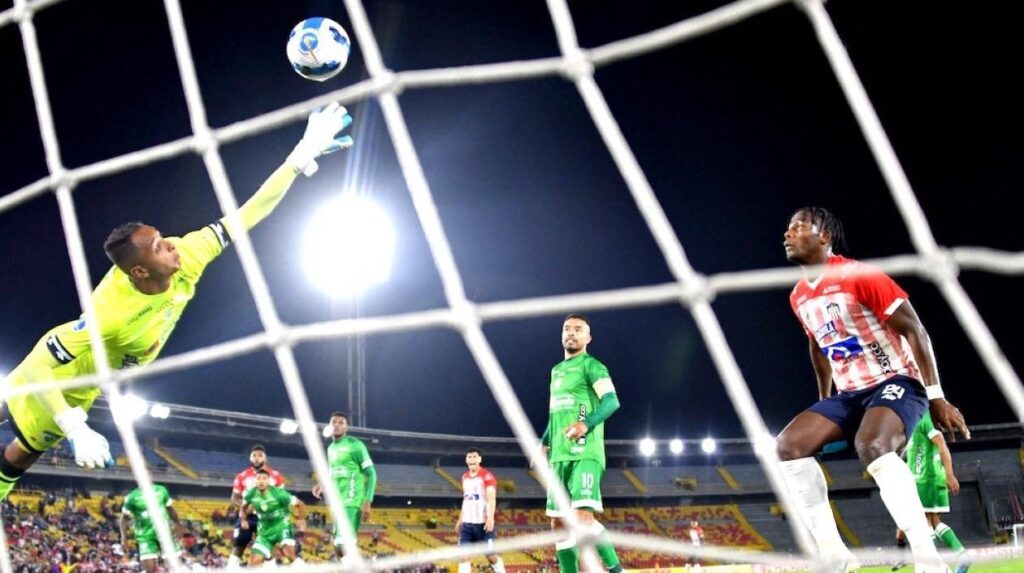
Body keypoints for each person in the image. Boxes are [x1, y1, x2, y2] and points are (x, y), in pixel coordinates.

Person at [0, 103, 355, 501]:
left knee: (17, 428)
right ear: (140, 272)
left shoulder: (189, 253)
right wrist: (73, 426)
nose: (170, 244)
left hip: (92, 381)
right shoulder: (110, 313)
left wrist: (298, 159)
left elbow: (249, 212)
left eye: (161, 237)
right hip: (65, 384)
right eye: (157, 246)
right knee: (22, 449)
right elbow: (37, 366)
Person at [775, 207, 970, 573]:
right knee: (788, 446)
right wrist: (825, 403)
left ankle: (929, 562)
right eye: (788, 228)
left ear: (824, 236)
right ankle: (835, 558)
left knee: (873, 445)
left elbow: (915, 329)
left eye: (798, 226)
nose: (788, 233)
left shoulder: (859, 275)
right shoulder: (799, 296)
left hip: (898, 381)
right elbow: (818, 347)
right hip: (851, 394)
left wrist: (936, 396)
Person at [541, 314, 623, 573]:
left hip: (586, 452)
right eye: (567, 329)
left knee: (581, 519)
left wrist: (586, 424)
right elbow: (556, 413)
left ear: (588, 337)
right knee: (558, 525)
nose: (571, 333)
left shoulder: (593, 366)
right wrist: (544, 441)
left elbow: (611, 401)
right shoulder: (556, 371)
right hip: (559, 456)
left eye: (578, 329)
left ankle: (617, 570)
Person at [893, 412, 970, 573]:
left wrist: (950, 474)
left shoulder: (921, 417)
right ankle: (961, 554)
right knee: (935, 522)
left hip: (924, 479)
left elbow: (940, 441)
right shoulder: (913, 423)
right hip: (933, 478)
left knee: (923, 523)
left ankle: (931, 567)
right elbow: (913, 451)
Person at [312, 411, 377, 565]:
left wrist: (367, 502)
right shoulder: (331, 448)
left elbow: (372, 474)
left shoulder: (356, 445)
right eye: (334, 422)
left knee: (343, 544)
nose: (337, 425)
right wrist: (322, 484)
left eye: (341, 422)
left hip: (352, 500)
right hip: (338, 502)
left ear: (346, 427)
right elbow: (332, 472)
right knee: (338, 548)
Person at [228, 445, 286, 569]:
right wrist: (245, 507)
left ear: (265, 458)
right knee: (238, 546)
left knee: (269, 549)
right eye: (254, 455)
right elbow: (234, 497)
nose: (257, 458)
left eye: (260, 455)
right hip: (248, 517)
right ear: (250, 458)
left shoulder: (276, 476)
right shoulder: (242, 476)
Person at [240, 468, 307, 567]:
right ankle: (270, 560)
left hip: (282, 526)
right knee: (253, 563)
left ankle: (303, 567)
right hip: (264, 532)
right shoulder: (250, 494)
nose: (261, 481)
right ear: (255, 481)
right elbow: (243, 507)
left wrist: (301, 519)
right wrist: (243, 520)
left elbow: (300, 504)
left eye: (264, 478)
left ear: (268, 481)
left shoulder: (279, 494)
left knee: (289, 553)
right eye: (258, 478)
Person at [456, 447, 506, 573]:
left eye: (474, 457)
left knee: (490, 556)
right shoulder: (464, 477)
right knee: (463, 556)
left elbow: (491, 498)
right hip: (467, 524)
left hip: (483, 524)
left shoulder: (487, 476)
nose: (472, 459)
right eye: (469, 457)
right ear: (466, 460)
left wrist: (490, 518)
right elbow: (466, 499)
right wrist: (460, 520)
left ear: (480, 459)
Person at [118, 483, 183, 573]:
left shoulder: (161, 490)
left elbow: (170, 509)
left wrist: (177, 524)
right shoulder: (131, 497)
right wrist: (123, 538)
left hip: (164, 534)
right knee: (149, 569)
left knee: (176, 565)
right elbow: (123, 518)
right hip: (145, 536)